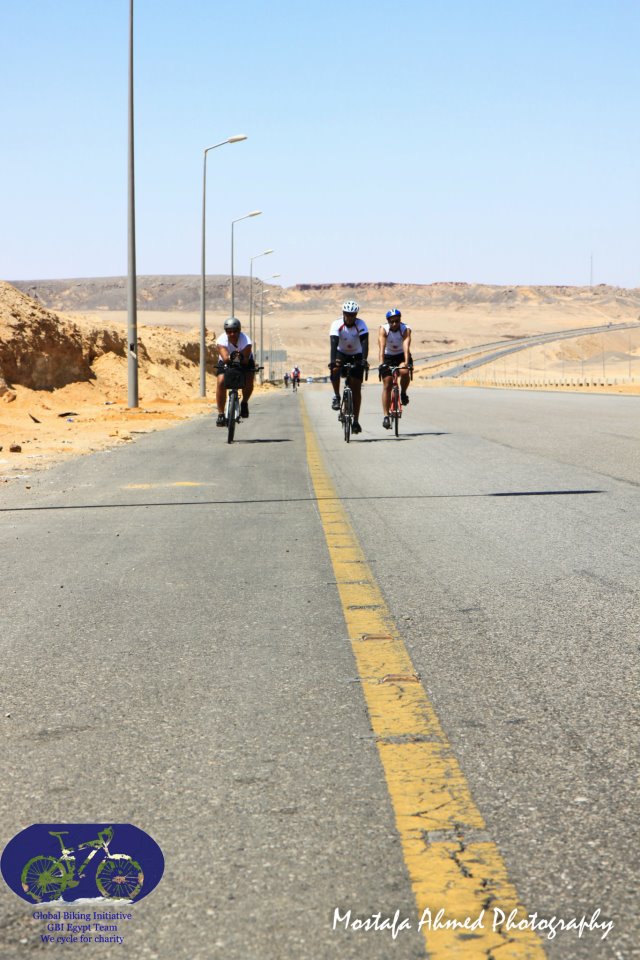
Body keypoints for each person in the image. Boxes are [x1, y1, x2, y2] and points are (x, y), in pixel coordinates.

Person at [329, 300, 369, 433]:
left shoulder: (361, 324)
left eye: (352, 315)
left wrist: (364, 360)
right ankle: (336, 396)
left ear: (356, 315)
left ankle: (356, 421)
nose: (350, 317)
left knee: (356, 388)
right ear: (343, 313)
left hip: (357, 354)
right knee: (335, 368)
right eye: (347, 314)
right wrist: (333, 361)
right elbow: (333, 344)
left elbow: (365, 343)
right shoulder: (336, 324)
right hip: (341, 353)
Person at [215, 317, 255, 426]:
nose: (232, 334)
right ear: (226, 332)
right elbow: (225, 358)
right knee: (221, 381)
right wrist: (235, 356)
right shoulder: (221, 341)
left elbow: (245, 360)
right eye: (229, 331)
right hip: (226, 361)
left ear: (239, 331)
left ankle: (244, 402)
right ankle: (221, 414)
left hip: (245, 360)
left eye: (235, 331)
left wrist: (238, 357)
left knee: (249, 378)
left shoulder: (246, 341)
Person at [378, 309, 412, 429]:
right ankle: (386, 416)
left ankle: (403, 393)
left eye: (397, 321)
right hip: (388, 357)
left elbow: (406, 346)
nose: (394, 324)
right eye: (392, 322)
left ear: (400, 320)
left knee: (404, 371)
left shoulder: (405, 329)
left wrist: (406, 362)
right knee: (387, 384)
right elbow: (381, 348)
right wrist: (382, 364)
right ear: (388, 321)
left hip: (401, 355)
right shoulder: (383, 329)